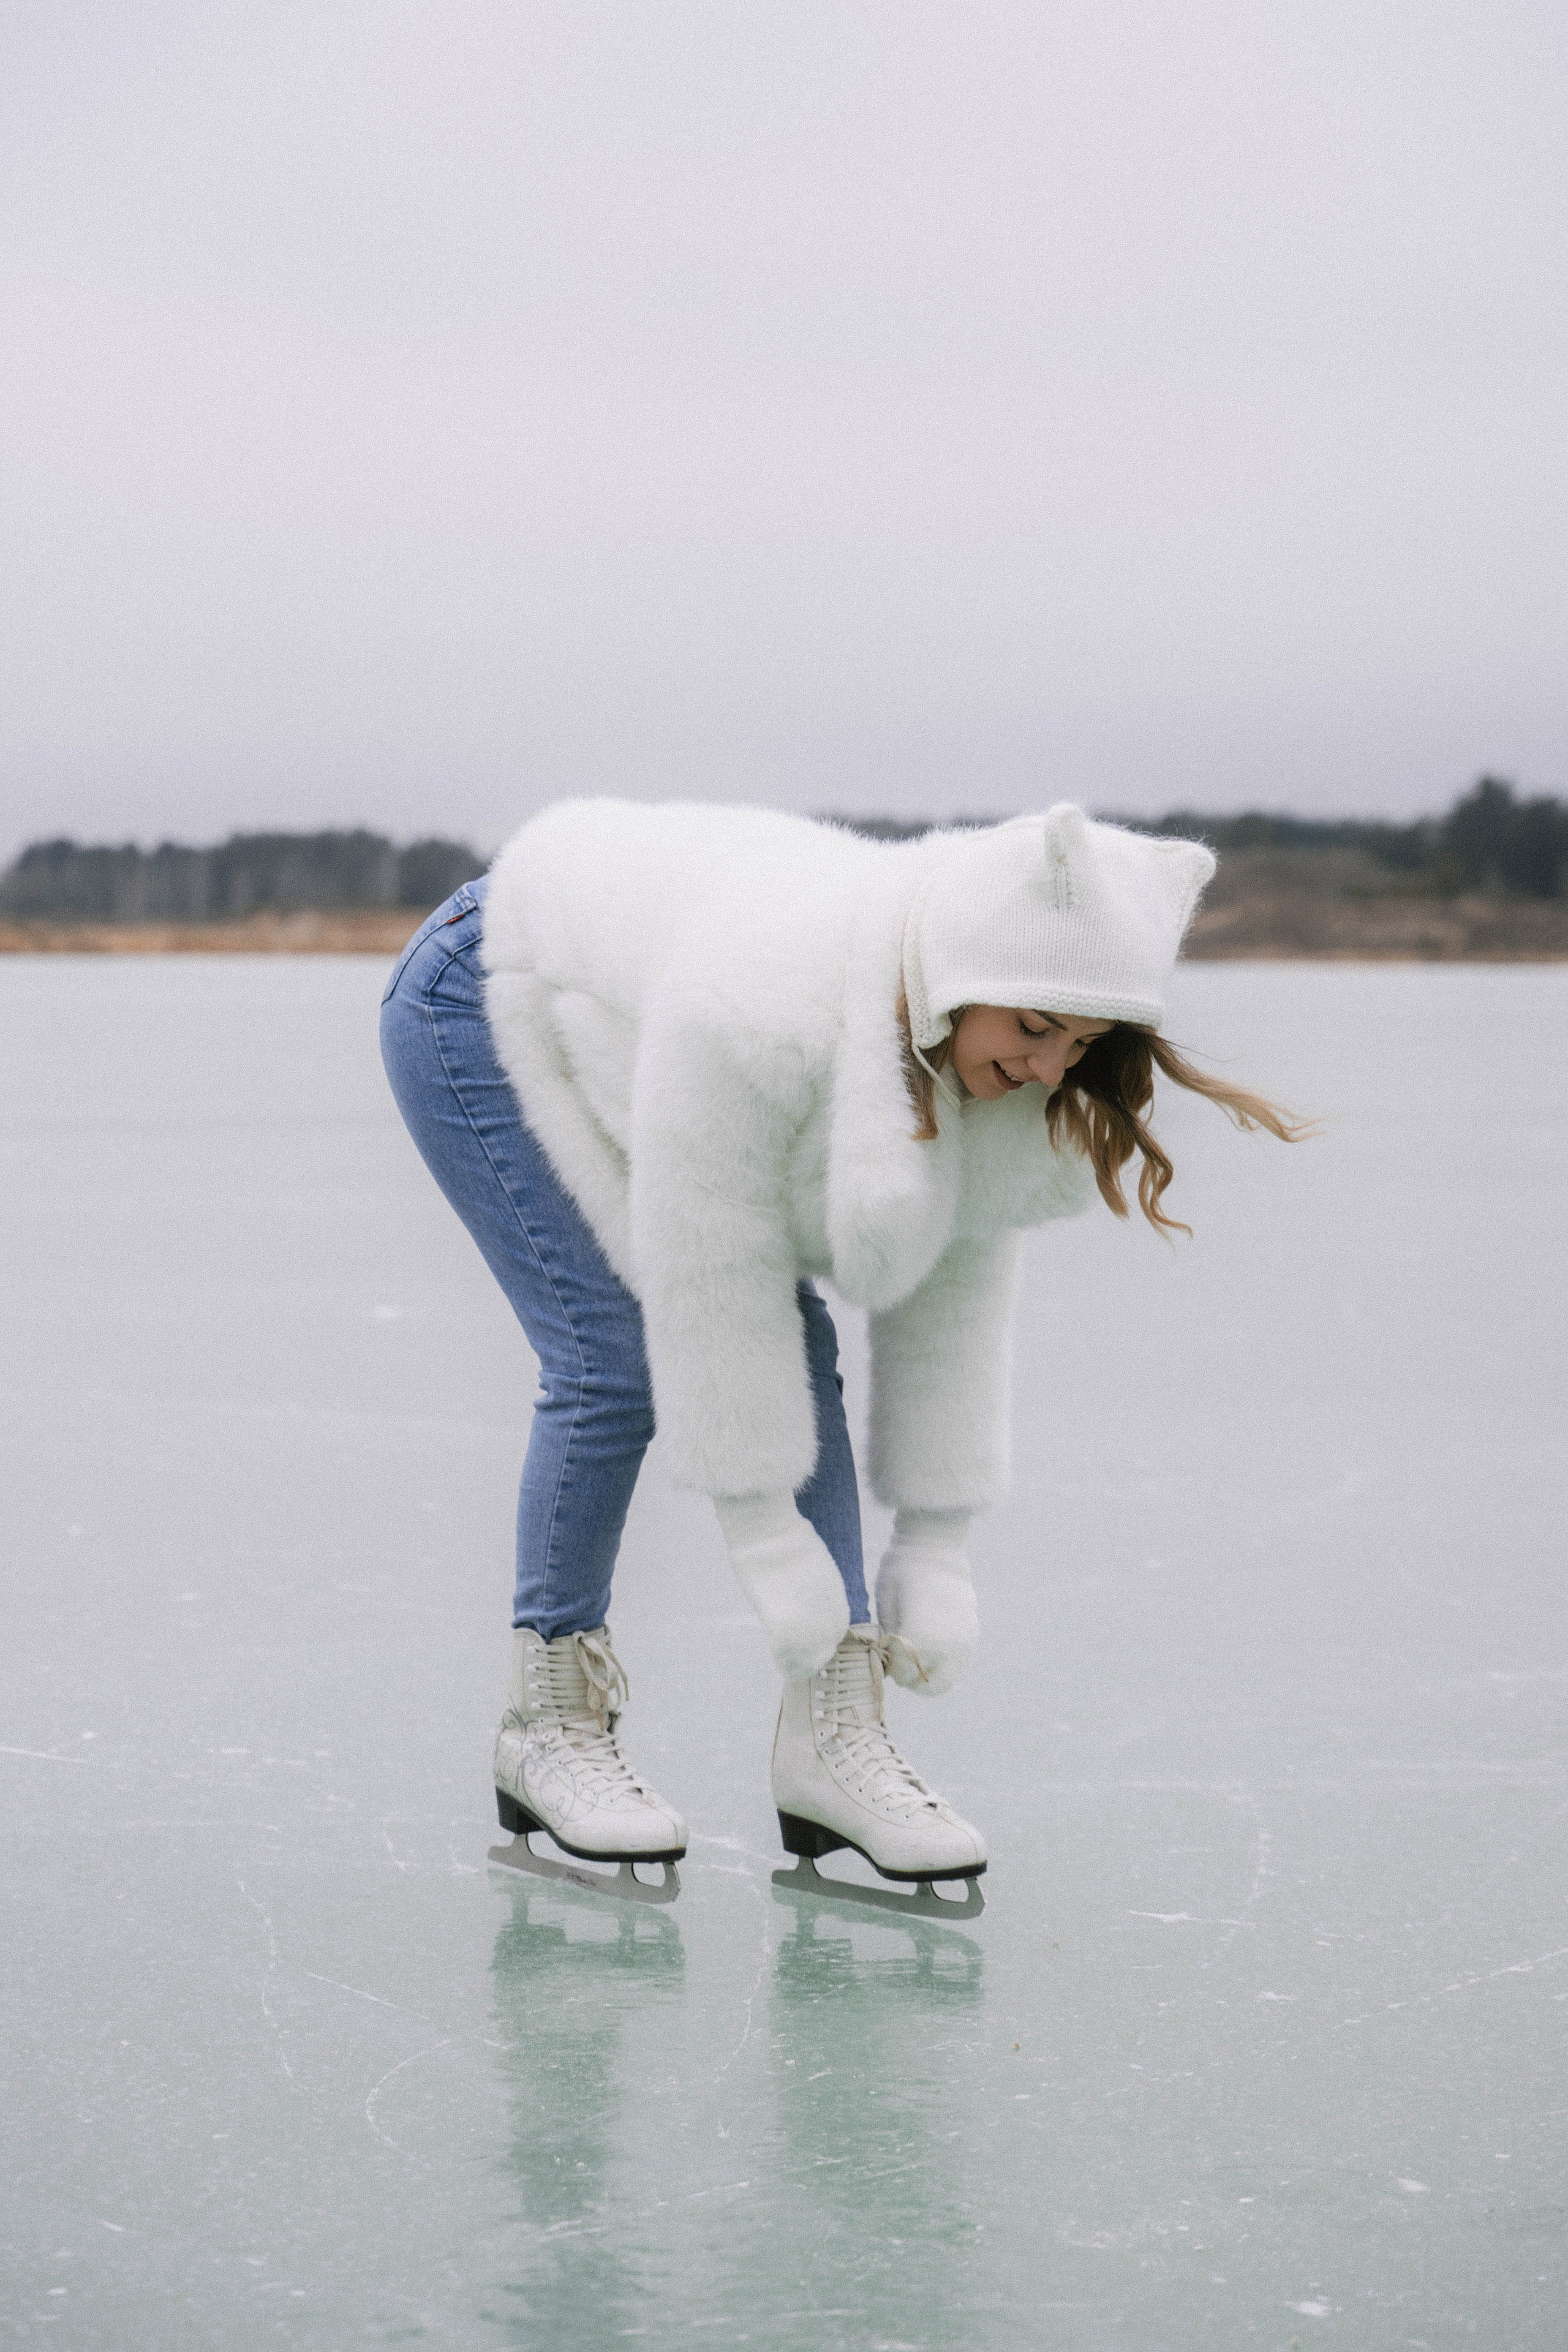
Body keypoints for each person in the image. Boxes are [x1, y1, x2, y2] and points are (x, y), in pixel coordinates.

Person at [379, 800, 1300, 1892]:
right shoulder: (761, 1002)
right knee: (614, 1354)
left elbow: (953, 1290)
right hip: (498, 984)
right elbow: (712, 1268)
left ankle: (833, 1739)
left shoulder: (995, 1029)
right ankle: (550, 1723)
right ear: (966, 981)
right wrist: (769, 1541)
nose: (1058, 1067)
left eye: (1084, 1044)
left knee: (786, 1340)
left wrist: (938, 1542)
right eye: (1038, 1030)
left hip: (676, 975)